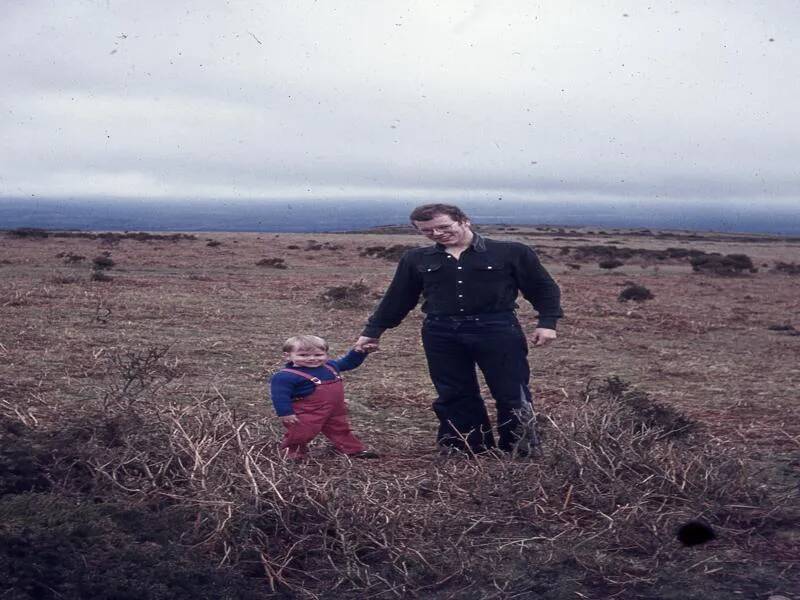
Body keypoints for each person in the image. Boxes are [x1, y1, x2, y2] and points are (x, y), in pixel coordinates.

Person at [354, 203, 563, 455]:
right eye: (427, 231)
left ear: (464, 221)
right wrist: (373, 331)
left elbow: (543, 288)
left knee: (511, 391)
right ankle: (466, 448)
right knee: (454, 393)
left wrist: (547, 323)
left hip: (497, 329)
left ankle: (522, 449)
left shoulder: (511, 252)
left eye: (444, 227)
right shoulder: (416, 259)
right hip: (441, 333)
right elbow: (398, 298)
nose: (437, 234)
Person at [270, 335, 379, 460]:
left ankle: (353, 450)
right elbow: (280, 396)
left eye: (318, 355)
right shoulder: (285, 376)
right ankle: (292, 453)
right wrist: (285, 413)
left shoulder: (330, 366)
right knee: (301, 432)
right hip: (307, 412)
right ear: (288, 356)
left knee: (341, 429)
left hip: (335, 410)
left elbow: (349, 363)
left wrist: (359, 352)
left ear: (326, 354)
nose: (312, 359)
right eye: (303, 355)